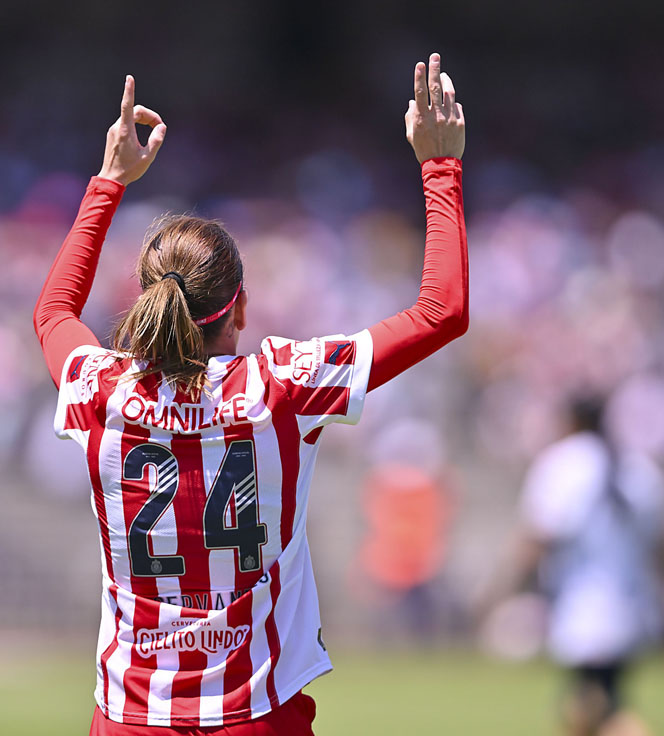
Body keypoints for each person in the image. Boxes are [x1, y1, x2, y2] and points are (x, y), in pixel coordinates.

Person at [32, 53, 468, 734]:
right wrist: (440, 166)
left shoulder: (102, 387)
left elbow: (53, 314)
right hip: (255, 713)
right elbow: (442, 312)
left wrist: (108, 181)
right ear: (239, 307)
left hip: (129, 714)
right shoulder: (281, 386)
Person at [484, 397, 664, 736]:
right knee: (589, 705)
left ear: (571, 421)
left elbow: (539, 534)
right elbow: (661, 541)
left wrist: (501, 589)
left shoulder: (564, 463)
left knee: (600, 707)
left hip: (583, 604)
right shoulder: (638, 466)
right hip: (633, 602)